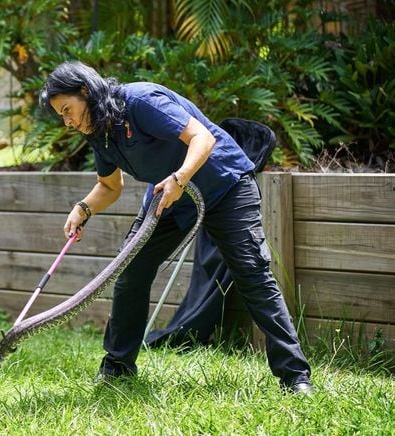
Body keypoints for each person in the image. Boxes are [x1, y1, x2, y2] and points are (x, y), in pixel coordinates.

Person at [39, 61, 314, 394]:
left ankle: (295, 377)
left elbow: (202, 137)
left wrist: (180, 178)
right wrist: (83, 208)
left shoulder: (140, 101)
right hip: (169, 197)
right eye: (61, 116)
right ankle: (117, 368)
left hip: (223, 185)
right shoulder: (101, 133)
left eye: (68, 110)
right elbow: (110, 186)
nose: (67, 122)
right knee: (131, 270)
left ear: (86, 91)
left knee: (252, 272)